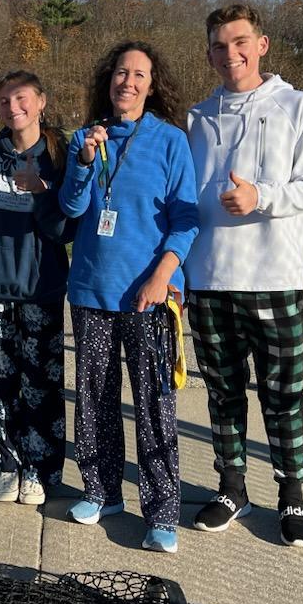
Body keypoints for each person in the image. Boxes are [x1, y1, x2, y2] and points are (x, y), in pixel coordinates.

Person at [185, 3, 303, 547]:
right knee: (223, 393)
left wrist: (260, 196)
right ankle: (232, 488)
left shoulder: (295, 105)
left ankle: (291, 492)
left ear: (261, 45)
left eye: (240, 42)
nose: (231, 54)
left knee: (282, 394)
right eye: (219, 46)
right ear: (209, 54)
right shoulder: (198, 118)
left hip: (273, 275)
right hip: (209, 278)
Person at [59, 40, 199, 553]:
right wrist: (83, 160)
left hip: (148, 295)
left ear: (152, 84)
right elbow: (71, 208)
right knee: (94, 396)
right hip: (91, 290)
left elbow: (186, 219)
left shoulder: (171, 141)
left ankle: (162, 511)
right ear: (109, 78)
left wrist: (162, 276)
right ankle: (102, 491)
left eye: (139, 74)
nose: (129, 82)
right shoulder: (86, 137)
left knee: (153, 402)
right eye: (122, 72)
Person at [0, 70, 73, 506]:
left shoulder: (59, 155)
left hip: (40, 286)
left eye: (22, 98)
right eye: (5, 100)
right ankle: (10, 463)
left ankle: (40, 469)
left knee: (40, 383)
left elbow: (65, 230)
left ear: (41, 101)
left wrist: (42, 191)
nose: (14, 107)